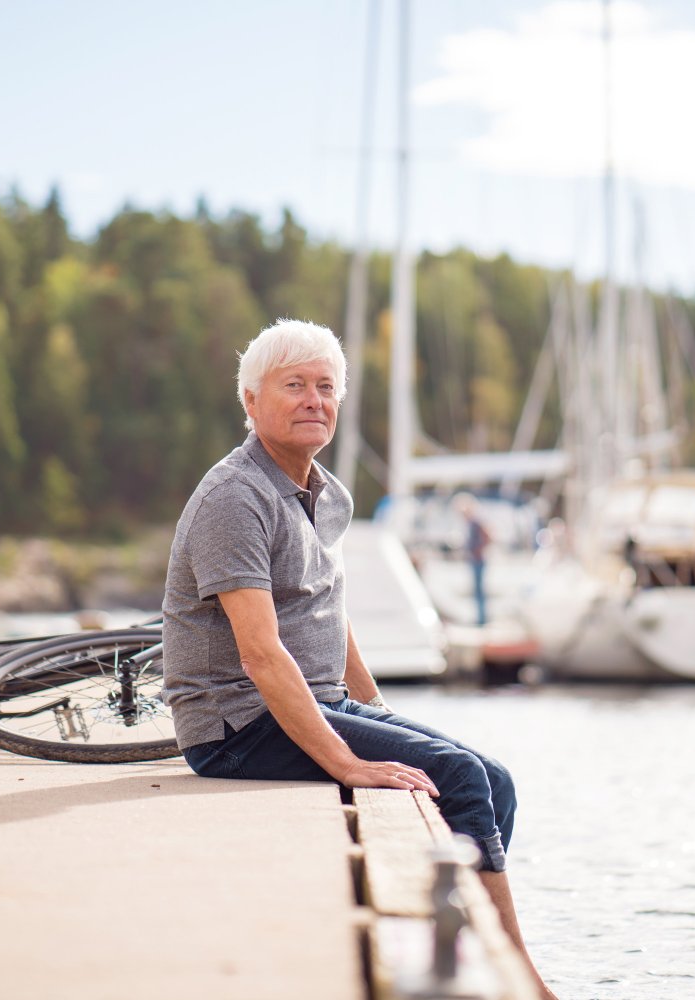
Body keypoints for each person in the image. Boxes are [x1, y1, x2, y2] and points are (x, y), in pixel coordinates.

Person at [162, 319, 559, 1000]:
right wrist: (348, 762)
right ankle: (519, 980)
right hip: (236, 728)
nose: (314, 399)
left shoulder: (328, 493)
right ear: (251, 402)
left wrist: (373, 710)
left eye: (325, 386)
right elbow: (259, 654)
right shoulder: (235, 499)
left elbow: (325, 610)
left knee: (493, 781)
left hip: (316, 704)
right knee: (458, 777)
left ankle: (457, 949)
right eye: (294, 385)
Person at [455, 492, 491, 625]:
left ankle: (481, 619)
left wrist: (477, 550)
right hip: (475, 559)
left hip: (478, 560)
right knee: (476, 590)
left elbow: (487, 537)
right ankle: (479, 618)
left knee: (479, 590)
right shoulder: (472, 523)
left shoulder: (476, 523)